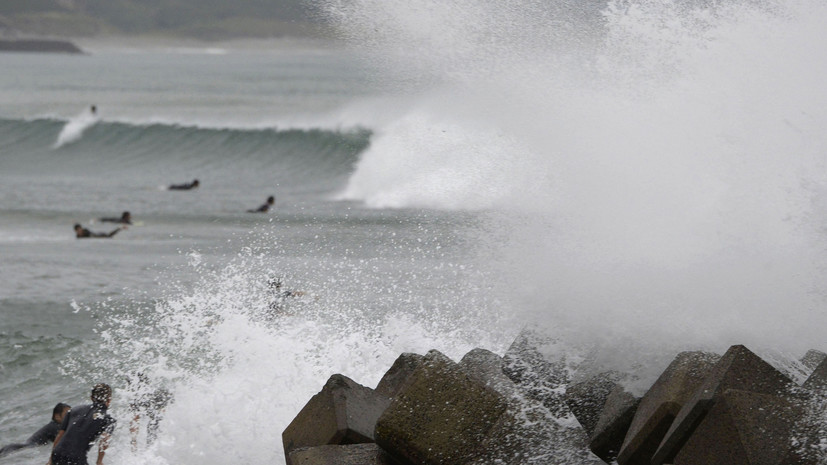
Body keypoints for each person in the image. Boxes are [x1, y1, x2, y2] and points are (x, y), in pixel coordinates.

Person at [49, 384, 115, 465]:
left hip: (57, 454)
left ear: (91, 398)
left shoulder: (73, 410)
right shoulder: (108, 419)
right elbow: (104, 440)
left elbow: (60, 435)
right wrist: (99, 461)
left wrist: (50, 459)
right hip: (76, 458)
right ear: (109, 399)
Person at [0, 403, 71, 457]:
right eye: (67, 414)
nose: (70, 416)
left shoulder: (53, 426)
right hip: (18, 449)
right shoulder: (55, 427)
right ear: (57, 416)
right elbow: (67, 439)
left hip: (16, 447)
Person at [126, 374, 173, 450]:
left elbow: (134, 424)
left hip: (161, 412)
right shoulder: (150, 393)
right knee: (154, 427)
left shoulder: (136, 399)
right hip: (166, 410)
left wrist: (133, 443)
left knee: (153, 428)